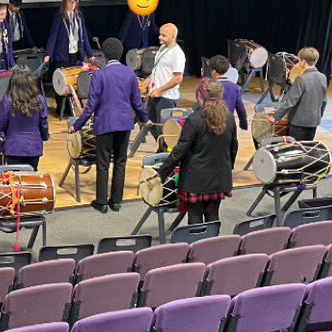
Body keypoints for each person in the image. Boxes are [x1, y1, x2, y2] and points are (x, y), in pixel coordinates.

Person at [71, 38, 149, 212]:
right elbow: (137, 102)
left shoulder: (99, 75)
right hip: (124, 124)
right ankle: (116, 202)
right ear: (121, 54)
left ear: (104, 55)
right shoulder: (130, 73)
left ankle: (102, 202)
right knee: (121, 162)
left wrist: (76, 125)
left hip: (105, 124)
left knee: (103, 163)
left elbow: (91, 105)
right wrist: (145, 119)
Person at [155, 79, 237, 225]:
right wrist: (227, 169)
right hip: (220, 177)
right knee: (212, 214)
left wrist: (161, 173)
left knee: (195, 215)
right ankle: (213, 246)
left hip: (195, 180)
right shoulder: (229, 118)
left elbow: (179, 151)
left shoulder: (194, 120)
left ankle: (197, 246)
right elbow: (233, 148)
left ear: (200, 97)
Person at [129, 22, 185, 156]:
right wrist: (149, 80)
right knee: (147, 122)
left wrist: (160, 90)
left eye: (163, 35)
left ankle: (166, 154)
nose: (159, 37)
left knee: (163, 129)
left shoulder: (177, 53)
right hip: (155, 95)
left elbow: (178, 78)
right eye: (160, 34)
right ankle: (162, 149)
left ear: (173, 36)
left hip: (166, 98)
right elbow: (157, 69)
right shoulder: (162, 49)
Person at [0, 66, 49, 170]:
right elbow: (43, 123)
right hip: (33, 147)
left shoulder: (8, 99)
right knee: (31, 179)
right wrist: (44, 136)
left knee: (15, 181)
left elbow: (1, 124)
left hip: (13, 148)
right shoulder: (40, 99)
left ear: (13, 82)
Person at [269, 47, 328, 141]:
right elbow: (324, 101)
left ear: (303, 62)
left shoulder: (301, 79)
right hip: (313, 122)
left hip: (298, 123)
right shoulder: (323, 77)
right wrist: (317, 116)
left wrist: (276, 117)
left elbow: (289, 101)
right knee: (306, 148)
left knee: (295, 150)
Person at [208, 54, 248, 131]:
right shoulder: (234, 87)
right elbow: (240, 108)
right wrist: (243, 123)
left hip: (211, 123)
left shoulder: (209, 86)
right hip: (229, 124)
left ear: (213, 72)